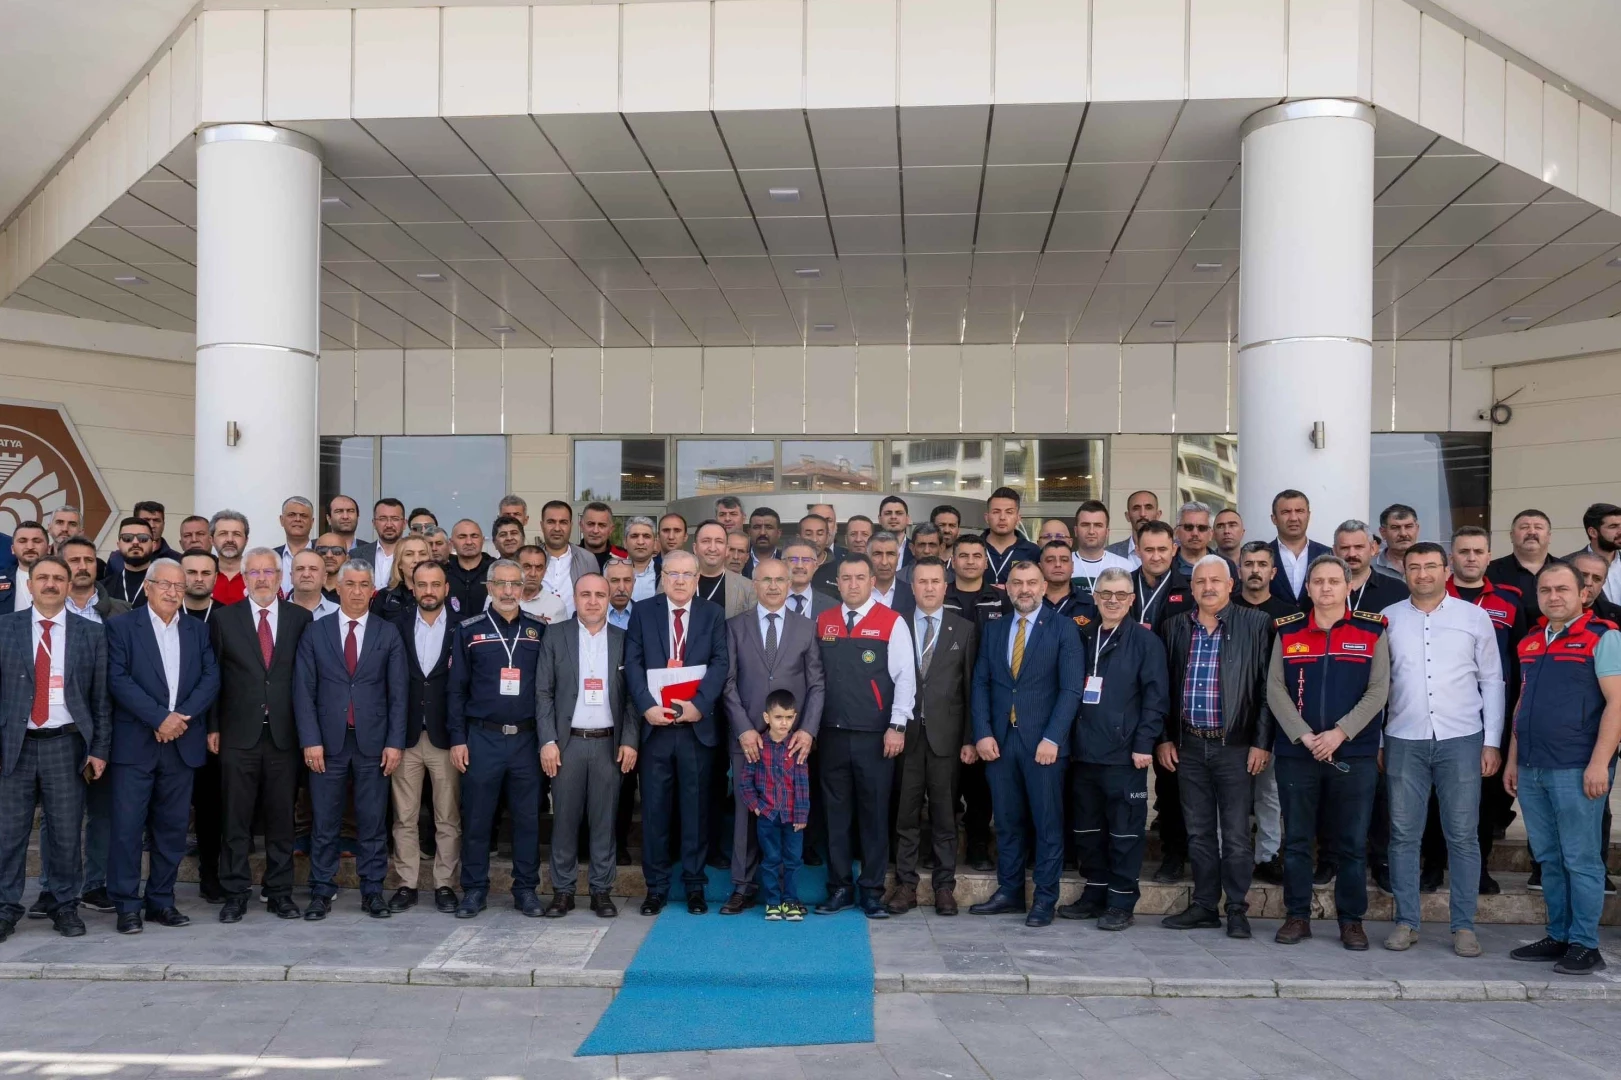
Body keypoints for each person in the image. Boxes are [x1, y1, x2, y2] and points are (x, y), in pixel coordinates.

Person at [1380, 541, 1503, 957]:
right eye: (1414, 567)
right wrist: (1379, 740)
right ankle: (1406, 921)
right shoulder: (1388, 618)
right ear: (1404, 573)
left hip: (1462, 738)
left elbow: (1492, 680)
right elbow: (1379, 686)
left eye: (1431, 566)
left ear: (1446, 569)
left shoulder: (1474, 617)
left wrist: (1491, 741)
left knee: (1463, 835)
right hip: (1403, 738)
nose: (1423, 574)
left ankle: (1464, 926)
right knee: (1403, 834)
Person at [1267, 554, 1390, 951]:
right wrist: (1304, 735)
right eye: (1318, 581)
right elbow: (1275, 689)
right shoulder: (1288, 630)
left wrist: (1340, 733)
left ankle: (1351, 921)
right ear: (1308, 587)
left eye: (1334, 581)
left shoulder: (1371, 630)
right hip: (1297, 754)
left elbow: (1379, 690)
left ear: (1348, 586)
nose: (1325, 588)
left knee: (1352, 842)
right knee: (1297, 840)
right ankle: (1297, 916)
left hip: (1353, 754)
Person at [1504, 562, 1621, 975]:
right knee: (1549, 858)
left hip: (1576, 767)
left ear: (1583, 594)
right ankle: (1559, 935)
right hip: (1532, 767)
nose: (1553, 596)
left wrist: (1600, 763)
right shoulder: (1531, 641)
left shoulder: (1603, 637)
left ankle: (1585, 944)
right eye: (1546, 590)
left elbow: (1617, 703)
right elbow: (1522, 704)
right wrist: (1513, 759)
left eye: (1562, 589)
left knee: (1581, 858)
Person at [1156, 556, 1273, 939]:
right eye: (1200, 581)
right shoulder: (1175, 626)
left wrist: (1261, 742)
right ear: (1191, 588)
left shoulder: (1256, 624)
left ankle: (1237, 908)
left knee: (1236, 834)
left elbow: (1267, 690)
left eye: (1216, 580)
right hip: (1189, 746)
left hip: (1235, 747)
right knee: (1199, 832)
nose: (1208, 587)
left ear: (1231, 584)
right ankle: (1205, 905)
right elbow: (1163, 688)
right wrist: (1164, 738)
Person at [105, 558, 221, 934]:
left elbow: (210, 677)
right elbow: (117, 679)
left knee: (171, 828)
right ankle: (126, 905)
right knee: (127, 829)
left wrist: (179, 718)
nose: (173, 592)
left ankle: (161, 900)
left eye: (179, 586)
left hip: (181, 743)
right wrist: (159, 718)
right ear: (148, 587)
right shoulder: (122, 627)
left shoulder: (197, 630)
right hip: (135, 744)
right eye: (165, 585)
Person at [0, 556, 111, 941]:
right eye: (43, 578)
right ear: (29, 585)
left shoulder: (91, 633)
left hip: (67, 744)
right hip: (13, 747)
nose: (50, 584)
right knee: (8, 834)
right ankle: (5, 907)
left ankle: (65, 906)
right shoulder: (5, 627)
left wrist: (99, 749)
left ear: (68, 585)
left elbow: (101, 699)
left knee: (65, 833)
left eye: (58, 578)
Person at [969, 561, 1083, 927]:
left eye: (1032, 582)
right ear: (1007, 588)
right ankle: (1010, 892)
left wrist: (1053, 738)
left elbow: (1071, 690)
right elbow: (981, 683)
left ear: (1044, 587)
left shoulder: (1064, 628)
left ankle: (1045, 899)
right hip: (1001, 743)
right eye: (1017, 583)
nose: (1025, 589)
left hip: (1043, 747)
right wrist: (982, 732)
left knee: (1047, 825)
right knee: (1006, 822)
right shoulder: (995, 629)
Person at [294, 559, 406, 921]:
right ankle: (321, 890)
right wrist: (310, 740)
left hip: (374, 744)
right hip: (327, 744)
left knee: (372, 822)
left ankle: (372, 891)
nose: (357, 591)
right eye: (351, 584)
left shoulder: (387, 633)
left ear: (372, 591)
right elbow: (304, 690)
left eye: (364, 585)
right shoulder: (316, 631)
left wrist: (394, 742)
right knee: (324, 822)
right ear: (338, 587)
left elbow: (398, 694)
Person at [207, 547, 313, 923]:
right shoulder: (224, 618)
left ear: (280, 577)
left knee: (281, 818)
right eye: (255, 572)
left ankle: (279, 892)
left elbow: (308, 679)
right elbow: (213, 677)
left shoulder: (301, 619)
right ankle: (235, 893)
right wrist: (213, 726)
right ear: (244, 578)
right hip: (237, 735)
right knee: (235, 819)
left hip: (285, 735)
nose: (262, 579)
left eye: (269, 572)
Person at [1059, 566, 1168, 928]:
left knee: (1124, 833)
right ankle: (1094, 894)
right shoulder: (1082, 635)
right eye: (1106, 594)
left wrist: (1144, 743)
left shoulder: (1146, 642)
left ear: (1131, 599)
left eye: (1121, 594)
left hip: (1125, 755)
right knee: (1087, 832)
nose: (1113, 601)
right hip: (1083, 752)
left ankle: (1121, 902)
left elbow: (1156, 699)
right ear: (1095, 597)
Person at [717, 557, 823, 915]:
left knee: (789, 812)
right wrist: (744, 728)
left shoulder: (806, 628)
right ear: (754, 584)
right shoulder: (735, 627)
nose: (774, 586)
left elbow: (817, 684)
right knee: (747, 812)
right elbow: (727, 682)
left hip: (791, 739)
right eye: (766, 580)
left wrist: (807, 729)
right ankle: (742, 886)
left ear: (789, 583)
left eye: (780, 580)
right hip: (748, 737)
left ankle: (785, 891)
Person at [626, 549, 729, 915]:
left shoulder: (713, 614)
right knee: (655, 812)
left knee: (696, 812)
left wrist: (699, 705)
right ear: (663, 578)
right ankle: (655, 888)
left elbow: (720, 662)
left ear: (697, 578)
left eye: (687, 574)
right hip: (656, 729)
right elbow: (632, 663)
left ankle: (694, 886)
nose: (680, 580)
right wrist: (646, 707)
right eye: (673, 574)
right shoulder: (643, 612)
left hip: (695, 729)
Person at [812, 552, 914, 919]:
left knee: (873, 815)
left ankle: (871, 891)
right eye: (846, 578)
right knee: (835, 816)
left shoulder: (891, 621)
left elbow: (905, 678)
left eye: (859, 578)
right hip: (831, 735)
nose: (852, 584)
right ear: (837, 583)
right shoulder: (823, 621)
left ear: (872, 581)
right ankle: (839, 887)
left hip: (875, 737)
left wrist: (897, 726)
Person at [445, 559, 547, 918]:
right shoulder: (468, 630)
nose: (507, 591)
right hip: (482, 739)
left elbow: (548, 689)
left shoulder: (538, 630)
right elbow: (455, 690)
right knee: (477, 818)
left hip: (526, 740)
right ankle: (474, 889)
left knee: (527, 819)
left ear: (523, 587)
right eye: (500, 584)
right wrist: (458, 738)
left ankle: (526, 889)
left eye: (514, 584)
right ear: (489, 587)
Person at [538, 574, 638, 919]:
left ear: (609, 598)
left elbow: (632, 698)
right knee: (564, 821)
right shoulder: (555, 635)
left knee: (604, 821)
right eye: (585, 594)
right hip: (567, 745)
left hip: (609, 743)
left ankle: (601, 891)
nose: (593, 601)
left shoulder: (624, 639)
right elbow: (543, 693)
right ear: (575, 597)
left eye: (599, 594)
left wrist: (630, 740)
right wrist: (548, 741)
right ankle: (562, 891)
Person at [890, 557, 975, 916]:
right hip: (906, 737)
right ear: (912, 587)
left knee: (944, 816)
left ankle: (944, 887)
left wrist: (969, 738)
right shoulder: (895, 624)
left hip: (947, 738)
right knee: (906, 815)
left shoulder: (964, 629)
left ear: (945, 586)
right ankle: (905, 886)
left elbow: (970, 689)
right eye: (922, 581)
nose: (928, 587)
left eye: (935, 581)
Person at [1448, 526, 1528, 895]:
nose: (1471, 558)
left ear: (1488, 556)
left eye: (1478, 551)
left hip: (1491, 715)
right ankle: (1433, 864)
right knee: (1436, 796)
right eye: (1463, 551)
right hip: (1444, 713)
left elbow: (1518, 660)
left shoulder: (1510, 601)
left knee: (1481, 797)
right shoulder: (1437, 595)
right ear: (1452, 556)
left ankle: (1478, 869)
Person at [386, 559, 460, 915]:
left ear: (446, 588)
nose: (428, 591)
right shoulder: (394, 627)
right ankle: (407, 884)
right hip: (406, 736)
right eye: (422, 584)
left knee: (448, 817)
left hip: (447, 736)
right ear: (412, 588)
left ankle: (445, 884)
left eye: (435, 584)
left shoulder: (463, 627)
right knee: (405, 817)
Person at [1230, 540, 1292, 885]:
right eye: (1249, 564)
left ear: (1273, 571)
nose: (1255, 570)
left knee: (1270, 792)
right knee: (1233, 793)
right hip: (1231, 716)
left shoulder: (1289, 613)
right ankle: (1233, 855)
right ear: (1239, 570)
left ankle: (1268, 856)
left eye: (1262, 564)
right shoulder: (1226, 608)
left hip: (1276, 715)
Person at [739, 689, 812, 922]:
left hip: (793, 817)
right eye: (779, 717)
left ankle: (790, 901)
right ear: (767, 717)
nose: (784, 723)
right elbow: (745, 780)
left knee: (793, 860)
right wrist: (756, 806)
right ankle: (772, 902)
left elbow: (802, 784)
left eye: (789, 717)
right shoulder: (759, 746)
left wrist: (802, 815)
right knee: (770, 860)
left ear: (795, 717)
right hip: (767, 815)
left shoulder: (797, 747)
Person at [681, 520, 758, 620]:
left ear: (726, 550)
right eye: (706, 541)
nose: (712, 548)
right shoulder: (676, 580)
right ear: (695, 548)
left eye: (719, 542)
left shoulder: (747, 588)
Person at [1489, 508, 1555, 622]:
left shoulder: (1567, 572)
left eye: (1538, 527)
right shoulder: (1490, 571)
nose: (1531, 532)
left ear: (1549, 536)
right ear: (1512, 536)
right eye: (1524, 527)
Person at [1267, 490, 1331, 606]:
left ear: (1308, 516)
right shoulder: (1262, 555)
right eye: (1286, 512)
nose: (1293, 518)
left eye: (1299, 511)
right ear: (1274, 519)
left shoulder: (1328, 554)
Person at [1334, 519, 1409, 614]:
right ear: (1335, 551)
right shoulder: (1321, 588)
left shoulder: (1398, 590)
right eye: (1345, 548)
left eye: (1358, 547)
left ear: (1373, 548)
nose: (1352, 554)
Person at [1129, 521, 1192, 634]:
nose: (1156, 557)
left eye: (1162, 549)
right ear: (1138, 551)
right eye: (1149, 550)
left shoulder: (1190, 589)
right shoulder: (1123, 585)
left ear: (1174, 550)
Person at [539, 501, 598, 617]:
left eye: (563, 522)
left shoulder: (587, 559)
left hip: (575, 627)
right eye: (551, 522)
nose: (557, 528)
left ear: (571, 525)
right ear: (542, 525)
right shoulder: (528, 559)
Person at [1070, 501, 1133, 596]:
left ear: (1107, 532)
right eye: (1085, 525)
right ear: (1076, 531)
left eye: (1098, 525)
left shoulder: (1125, 566)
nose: (1091, 531)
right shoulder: (1063, 564)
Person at [103, 501, 180, 579]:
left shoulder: (177, 559)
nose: (152, 525)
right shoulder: (115, 559)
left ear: (163, 524)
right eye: (146, 520)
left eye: (156, 520)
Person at [944, 536, 1008, 625]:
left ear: (986, 562)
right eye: (963, 556)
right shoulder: (941, 597)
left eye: (977, 556)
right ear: (953, 562)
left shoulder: (1002, 599)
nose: (970, 562)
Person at [982, 488, 1040, 587]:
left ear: (1018, 518)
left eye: (1009, 512)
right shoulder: (973, 548)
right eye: (996, 512)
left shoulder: (1032, 551)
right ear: (987, 518)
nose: (1002, 517)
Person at [445, 519, 494, 622]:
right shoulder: (442, 572)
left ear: (483, 540)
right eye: (462, 537)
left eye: (474, 536)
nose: (469, 542)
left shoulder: (496, 570)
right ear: (451, 542)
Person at [370, 535, 430, 620]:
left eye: (422, 554)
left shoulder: (442, 594)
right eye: (409, 554)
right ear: (399, 563)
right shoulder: (384, 597)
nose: (417, 560)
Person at [1039, 540, 1096, 621]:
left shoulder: (1089, 603)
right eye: (1050, 560)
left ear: (1072, 566)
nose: (1058, 565)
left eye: (1064, 560)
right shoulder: (1030, 599)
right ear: (1040, 567)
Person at [353, 499, 405, 589]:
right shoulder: (355, 555)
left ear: (404, 523)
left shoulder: (414, 556)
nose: (389, 525)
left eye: (395, 519)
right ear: (374, 523)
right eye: (383, 519)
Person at [103, 517, 155, 607]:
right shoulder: (103, 588)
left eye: (143, 538)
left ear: (153, 545)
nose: (135, 542)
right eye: (127, 538)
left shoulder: (168, 587)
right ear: (118, 545)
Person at [1174, 502, 1232, 580]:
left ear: (1211, 534)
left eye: (1202, 528)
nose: (1195, 533)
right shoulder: (1165, 565)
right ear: (1177, 532)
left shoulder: (1227, 566)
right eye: (1188, 527)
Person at [513, 545, 568, 624]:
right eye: (527, 567)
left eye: (539, 568)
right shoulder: (500, 599)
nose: (533, 574)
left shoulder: (556, 605)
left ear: (544, 572)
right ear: (515, 569)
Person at [783, 540, 836, 621]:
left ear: (815, 566)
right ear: (782, 564)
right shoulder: (767, 601)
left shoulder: (831, 606)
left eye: (806, 560)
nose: (799, 566)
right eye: (793, 560)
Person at [866, 532, 915, 618]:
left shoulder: (912, 594)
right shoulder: (857, 592)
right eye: (877, 554)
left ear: (898, 558)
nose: (884, 562)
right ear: (867, 557)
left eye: (890, 554)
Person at [274, 497, 315, 597]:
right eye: (291, 515)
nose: (297, 519)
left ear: (312, 522)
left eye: (303, 516)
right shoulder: (271, 557)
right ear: (281, 520)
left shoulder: (324, 555)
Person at [1107, 490, 1161, 566]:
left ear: (1158, 514)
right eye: (1136, 508)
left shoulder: (1173, 554)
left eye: (1148, 508)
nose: (1142, 514)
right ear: (1127, 516)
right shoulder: (1110, 553)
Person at [5, 522, 49, 612]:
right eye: (22, 541)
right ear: (12, 549)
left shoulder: (63, 578)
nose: (30, 547)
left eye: (37, 541)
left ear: (48, 548)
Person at [208, 511, 250, 606]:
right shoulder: (201, 576)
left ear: (246, 540)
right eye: (223, 534)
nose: (230, 539)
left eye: (236, 534)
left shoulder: (259, 576)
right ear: (212, 540)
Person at [1372, 504, 1420, 580]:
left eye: (1408, 526)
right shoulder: (1368, 568)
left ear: (1417, 529)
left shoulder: (1434, 564)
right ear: (1383, 532)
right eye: (1395, 528)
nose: (1403, 534)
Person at [288, 550, 337, 620]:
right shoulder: (277, 612)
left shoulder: (338, 612)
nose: (306, 575)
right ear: (291, 576)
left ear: (324, 578)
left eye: (313, 569)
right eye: (300, 569)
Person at [580, 502, 626, 572]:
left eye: (602, 525)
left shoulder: (625, 557)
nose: (595, 531)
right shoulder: (569, 556)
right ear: (581, 526)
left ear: (611, 529)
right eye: (591, 524)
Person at [623, 516, 661, 601]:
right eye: (634, 536)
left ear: (655, 543)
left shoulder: (664, 574)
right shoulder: (611, 572)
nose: (640, 542)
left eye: (646, 536)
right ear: (625, 542)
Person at [180, 549, 220, 620]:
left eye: (206, 573)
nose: (199, 579)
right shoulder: (167, 612)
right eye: (192, 572)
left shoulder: (227, 615)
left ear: (215, 577)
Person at [743, 507, 781, 577]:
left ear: (778, 533)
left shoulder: (787, 562)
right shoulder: (739, 560)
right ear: (749, 532)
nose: (762, 533)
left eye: (769, 527)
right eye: (757, 527)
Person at [604, 557, 636, 630]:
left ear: (634, 582)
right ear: (604, 583)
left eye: (627, 580)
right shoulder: (592, 613)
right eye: (615, 581)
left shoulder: (646, 615)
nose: (621, 588)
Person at [313, 532, 347, 600]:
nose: (329, 555)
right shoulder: (302, 590)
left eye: (337, 551)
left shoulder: (353, 591)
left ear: (347, 558)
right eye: (322, 550)